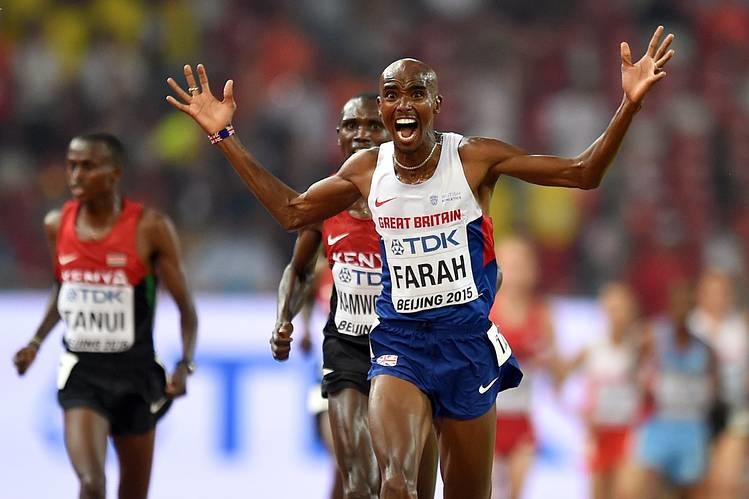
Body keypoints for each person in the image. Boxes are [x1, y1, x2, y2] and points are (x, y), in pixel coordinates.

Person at [166, 25, 674, 498]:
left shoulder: (473, 159)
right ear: (384, 109)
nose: (403, 104)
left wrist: (629, 104)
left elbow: (583, 172)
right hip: (400, 344)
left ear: (436, 104)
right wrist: (224, 137)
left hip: (466, 345)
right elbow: (292, 211)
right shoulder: (367, 170)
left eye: (415, 94)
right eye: (391, 95)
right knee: (394, 484)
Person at [12, 133, 198, 499]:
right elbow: (63, 289)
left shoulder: (150, 228)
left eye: (87, 166)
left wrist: (184, 364)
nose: (75, 175)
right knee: (92, 484)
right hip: (83, 375)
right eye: (71, 165)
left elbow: (187, 311)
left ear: (114, 174)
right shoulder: (57, 224)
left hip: (137, 377)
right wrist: (36, 341)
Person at [270, 93, 438, 499]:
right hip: (346, 346)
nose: (361, 134)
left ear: (391, 133)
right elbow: (300, 270)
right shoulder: (324, 201)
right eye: (351, 125)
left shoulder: (420, 198)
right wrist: (285, 318)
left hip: (406, 349)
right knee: (357, 482)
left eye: (372, 125)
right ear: (338, 136)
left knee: (397, 483)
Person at [630, 282, 718, 499]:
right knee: (645, 488)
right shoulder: (654, 338)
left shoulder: (704, 348)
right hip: (659, 423)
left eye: (687, 305)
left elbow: (714, 388)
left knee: (688, 491)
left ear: (693, 307)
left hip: (691, 426)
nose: (682, 310)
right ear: (669, 305)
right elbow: (634, 370)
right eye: (677, 304)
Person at [488, 236, 560, 499]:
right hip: (488, 418)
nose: (516, 273)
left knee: (517, 492)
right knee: (488, 490)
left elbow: (558, 375)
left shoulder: (542, 315)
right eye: (511, 264)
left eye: (521, 265)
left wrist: (547, 362)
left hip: (522, 422)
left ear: (533, 270)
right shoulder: (486, 310)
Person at [560, 282, 645, 499]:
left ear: (632, 311)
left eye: (622, 309)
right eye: (612, 309)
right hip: (599, 434)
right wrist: (576, 410)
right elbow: (561, 377)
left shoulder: (638, 347)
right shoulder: (593, 348)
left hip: (627, 432)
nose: (618, 316)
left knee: (625, 490)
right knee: (598, 492)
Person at [688, 269, 749, 499]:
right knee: (701, 487)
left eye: (722, 292)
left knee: (725, 482)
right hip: (694, 415)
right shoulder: (687, 328)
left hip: (735, 411)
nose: (717, 298)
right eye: (711, 292)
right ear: (700, 294)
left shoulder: (741, 328)